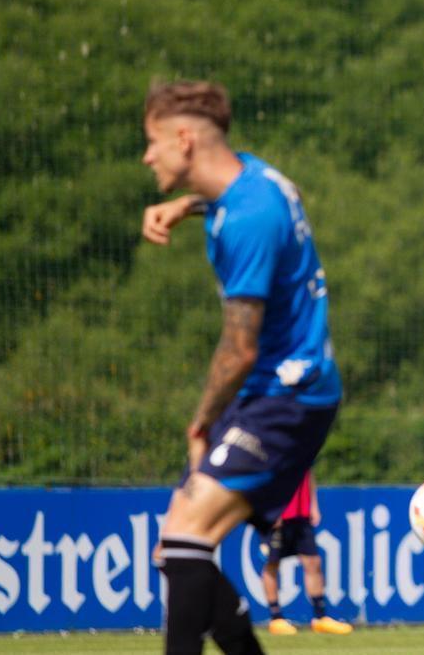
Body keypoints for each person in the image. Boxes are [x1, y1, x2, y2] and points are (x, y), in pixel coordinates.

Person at [141, 80, 342, 655]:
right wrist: (189, 203)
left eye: (153, 142)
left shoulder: (248, 220)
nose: (147, 156)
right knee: (177, 550)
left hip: (288, 398)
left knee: (185, 539)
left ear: (184, 139)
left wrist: (201, 421)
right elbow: (242, 196)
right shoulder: (258, 179)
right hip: (279, 393)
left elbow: (238, 350)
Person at [261, 471, 353, 635]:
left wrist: (313, 505)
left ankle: (320, 618)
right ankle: (276, 618)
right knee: (272, 563)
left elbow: (308, 473)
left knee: (313, 562)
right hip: (276, 515)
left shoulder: (303, 446)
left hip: (301, 515)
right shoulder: (273, 447)